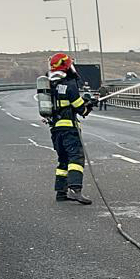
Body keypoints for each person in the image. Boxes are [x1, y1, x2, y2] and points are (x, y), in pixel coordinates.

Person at [46, 53, 94, 204]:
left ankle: (61, 193)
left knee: (63, 160)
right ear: (67, 66)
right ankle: (75, 189)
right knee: (75, 158)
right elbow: (81, 109)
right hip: (69, 130)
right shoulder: (69, 84)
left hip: (55, 130)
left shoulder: (49, 84)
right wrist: (88, 103)